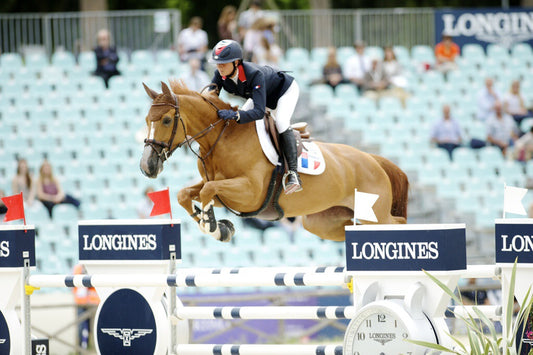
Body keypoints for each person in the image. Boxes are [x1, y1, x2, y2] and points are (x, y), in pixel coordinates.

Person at [209, 39, 302, 194]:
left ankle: (293, 174)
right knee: (242, 123)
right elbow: (209, 97)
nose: (220, 67)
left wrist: (234, 114)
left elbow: (259, 112)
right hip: (260, 96)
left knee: (281, 122)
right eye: (218, 64)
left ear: (237, 62)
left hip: (284, 92)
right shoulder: (219, 75)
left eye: (224, 63)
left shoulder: (254, 74)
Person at [72, 264, 99, 350]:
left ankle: (93, 350)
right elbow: (74, 283)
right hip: (80, 302)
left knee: (94, 329)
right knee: (80, 329)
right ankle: (79, 351)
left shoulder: (96, 268)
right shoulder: (78, 268)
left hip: (94, 302)